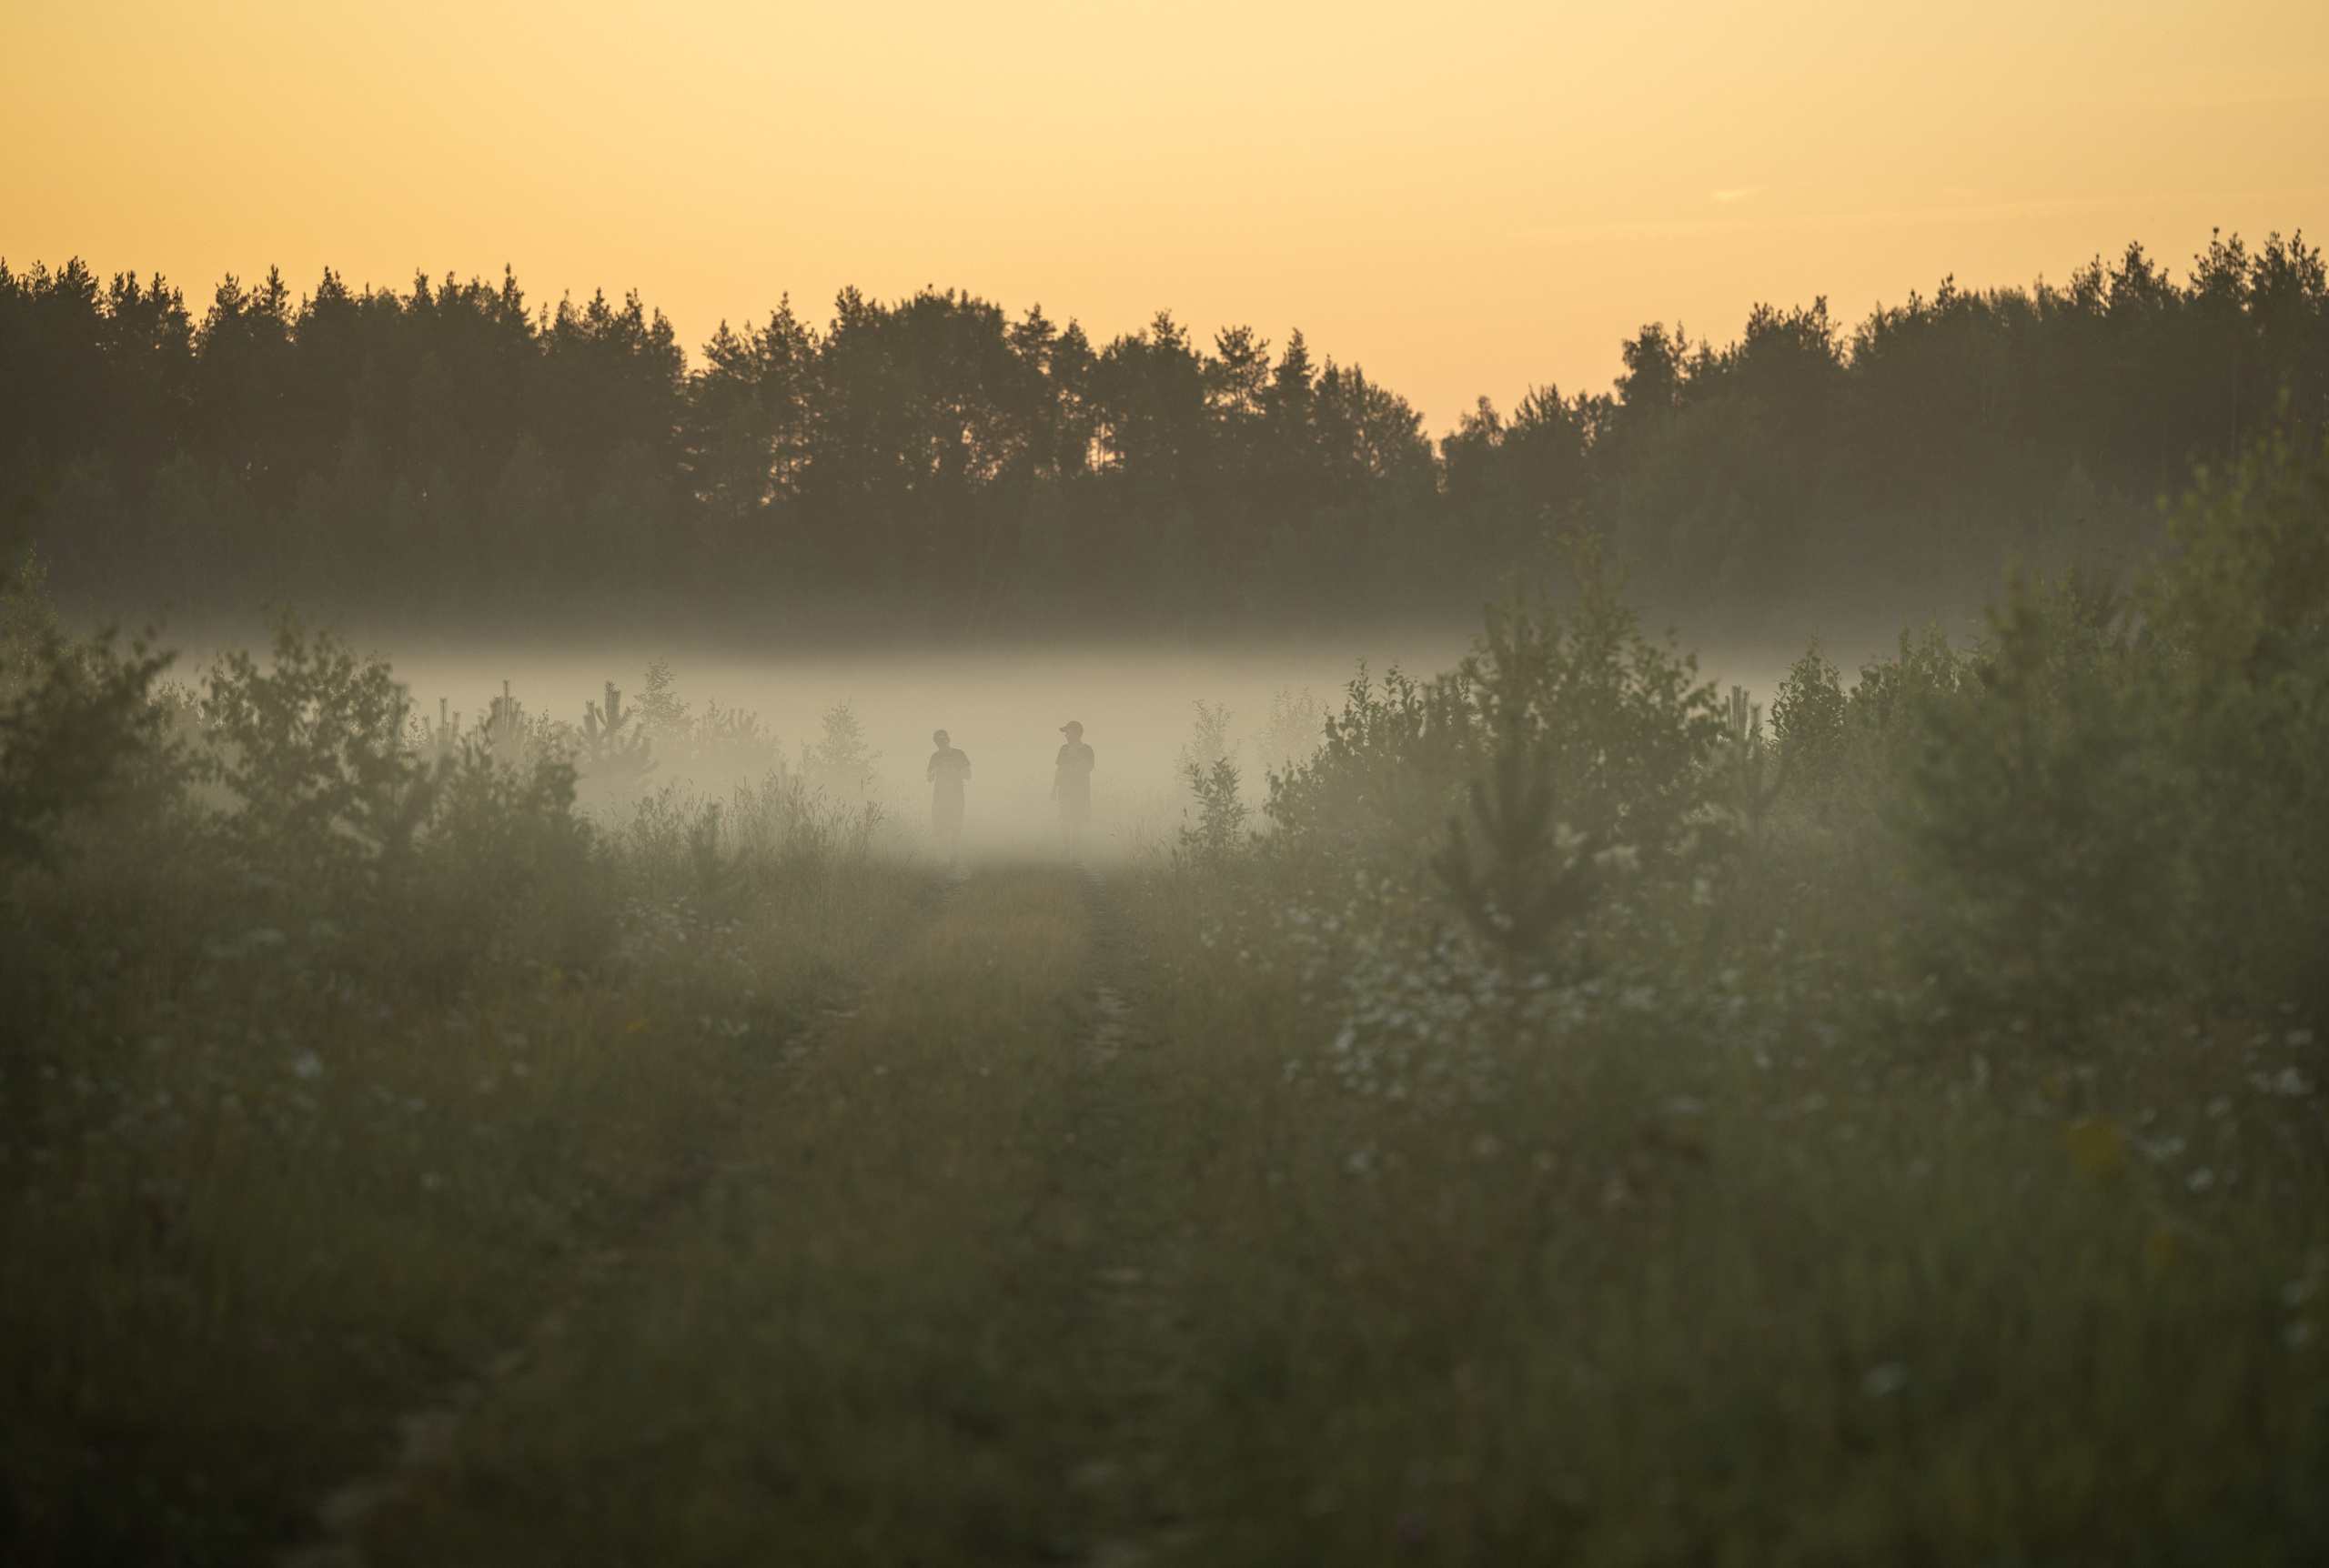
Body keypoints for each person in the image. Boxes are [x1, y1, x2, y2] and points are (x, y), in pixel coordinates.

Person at [1051, 719, 1094, 861]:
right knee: (1065, 819)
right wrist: (1053, 788)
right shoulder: (1063, 749)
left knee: (1077, 821)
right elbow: (1059, 769)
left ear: (1076, 733)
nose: (1066, 736)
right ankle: (1066, 850)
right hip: (1064, 790)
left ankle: (1075, 853)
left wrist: (1076, 756)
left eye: (1068, 732)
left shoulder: (1087, 749)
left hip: (1080, 791)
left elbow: (1088, 768)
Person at [927, 729, 971, 867]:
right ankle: (944, 859)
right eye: (939, 744)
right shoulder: (935, 757)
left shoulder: (959, 754)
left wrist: (954, 773)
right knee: (940, 829)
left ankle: (954, 856)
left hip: (956, 796)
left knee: (955, 827)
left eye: (944, 743)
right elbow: (928, 778)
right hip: (940, 797)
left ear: (948, 740)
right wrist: (935, 771)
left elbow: (968, 775)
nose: (942, 746)